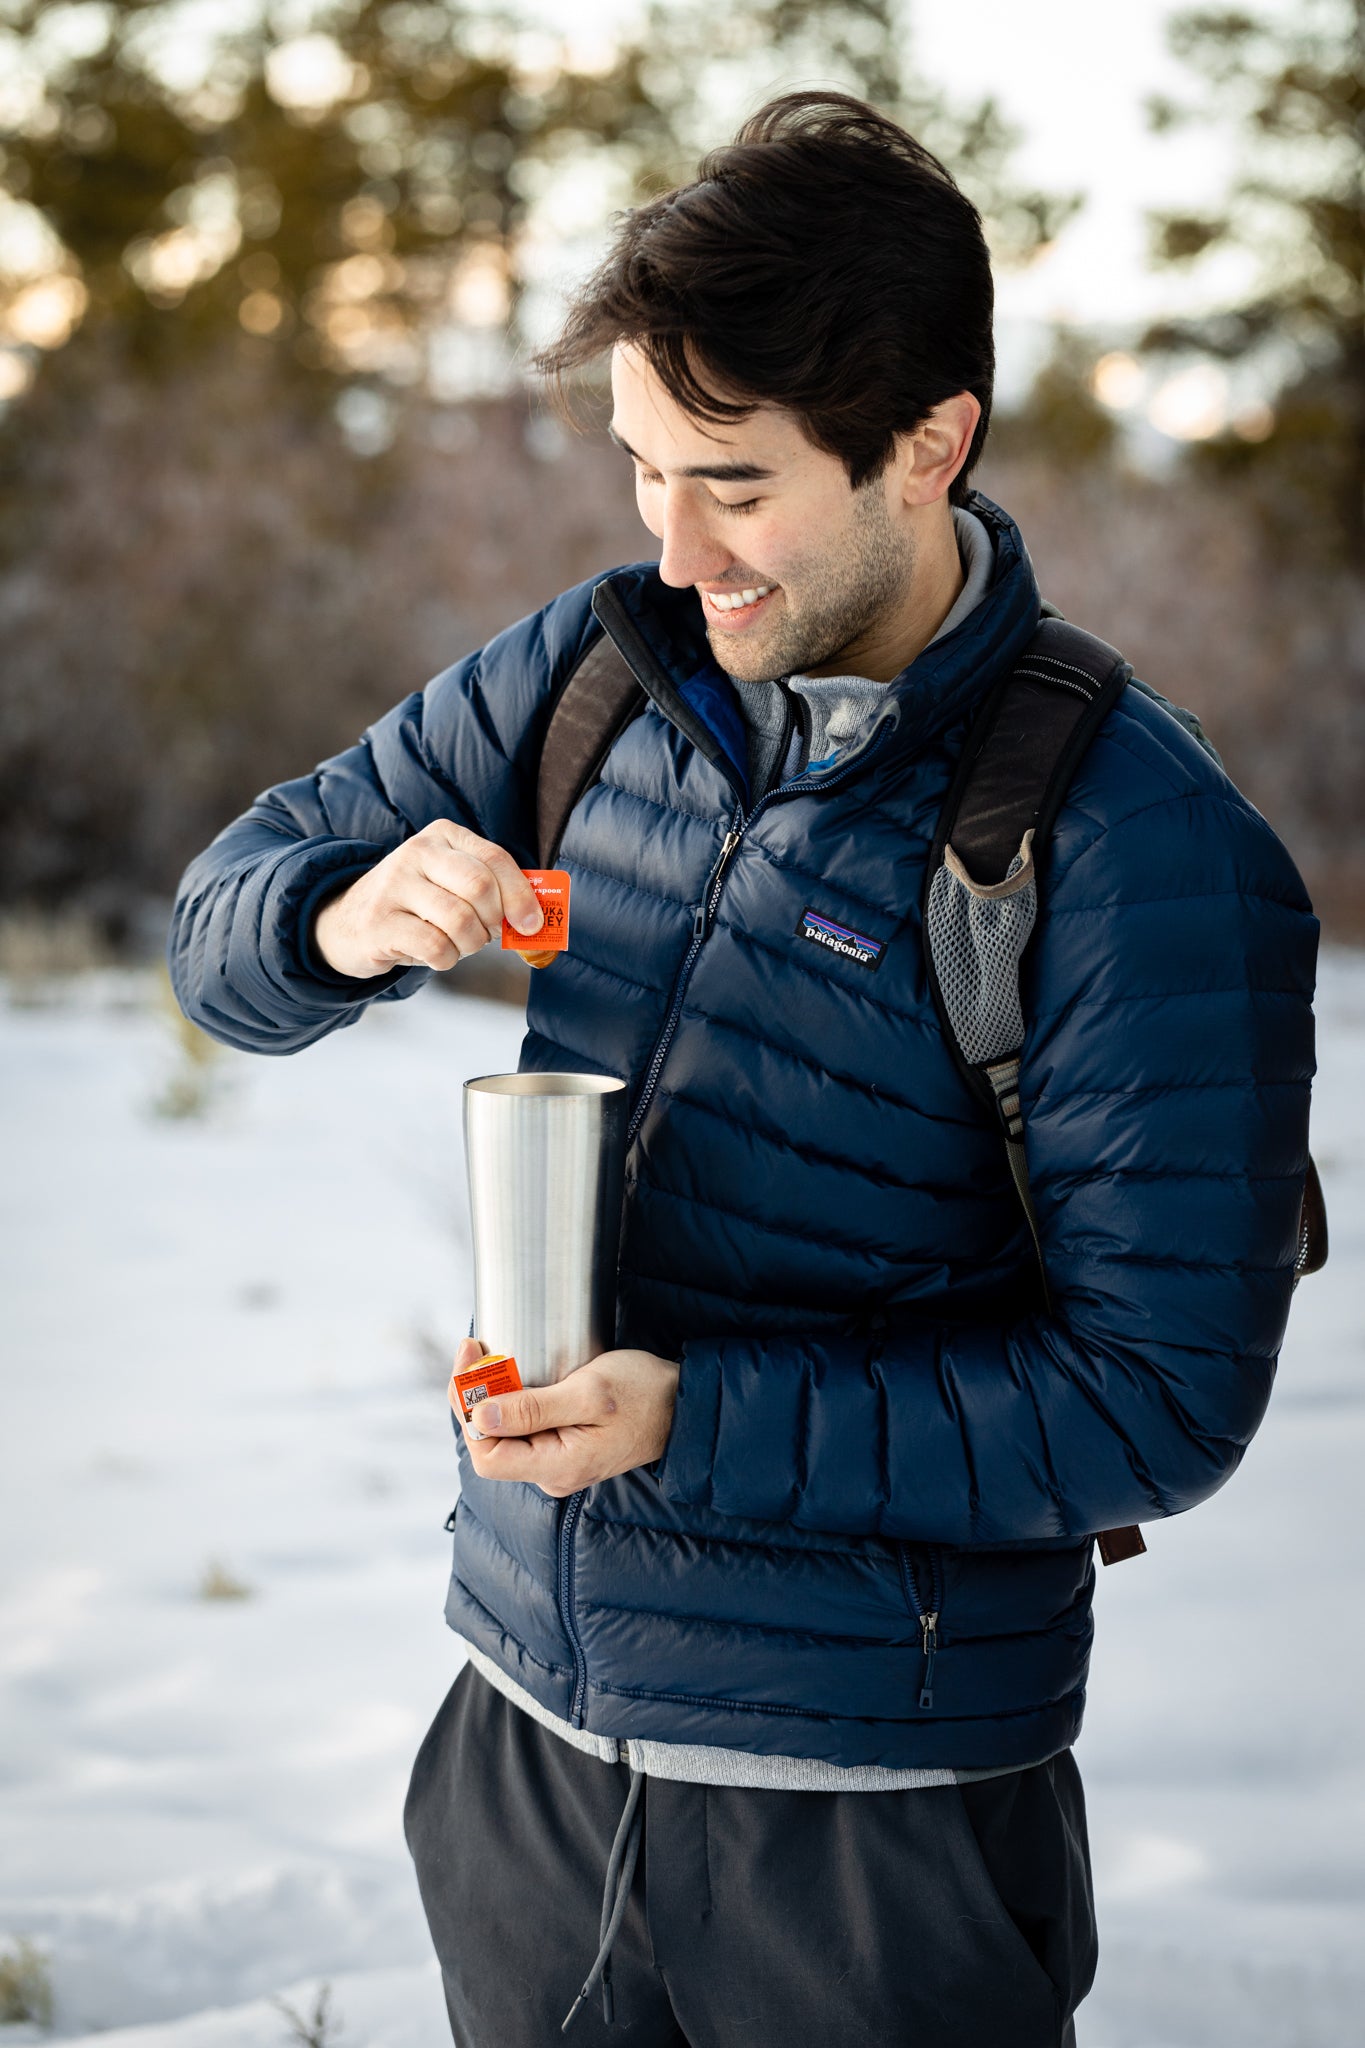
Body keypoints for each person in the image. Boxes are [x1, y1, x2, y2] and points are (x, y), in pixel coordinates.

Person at [169, 91, 1318, 2048]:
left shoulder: (1133, 840)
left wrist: (687, 1421)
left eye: (732, 483)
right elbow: (221, 929)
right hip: (522, 1749)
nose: (673, 541)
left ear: (926, 445)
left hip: (870, 1828)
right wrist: (330, 918)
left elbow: (1155, 1402)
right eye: (638, 468)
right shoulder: (595, 670)